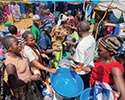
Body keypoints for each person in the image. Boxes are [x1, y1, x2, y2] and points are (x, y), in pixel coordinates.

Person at [2, 35, 43, 100]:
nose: (19, 45)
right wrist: (31, 78)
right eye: (17, 44)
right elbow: (13, 84)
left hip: (31, 86)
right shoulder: (10, 65)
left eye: (19, 43)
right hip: (23, 93)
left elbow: (27, 64)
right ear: (9, 48)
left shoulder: (19, 53)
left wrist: (35, 71)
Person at [90, 35, 125, 100]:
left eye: (100, 50)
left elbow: (123, 96)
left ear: (111, 52)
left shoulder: (115, 69)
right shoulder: (101, 58)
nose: (97, 52)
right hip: (94, 92)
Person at [68, 20, 96, 89]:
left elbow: (80, 64)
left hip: (81, 73)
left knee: (77, 89)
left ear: (79, 30)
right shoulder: (92, 38)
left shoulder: (81, 46)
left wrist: (71, 58)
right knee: (85, 87)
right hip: (88, 68)